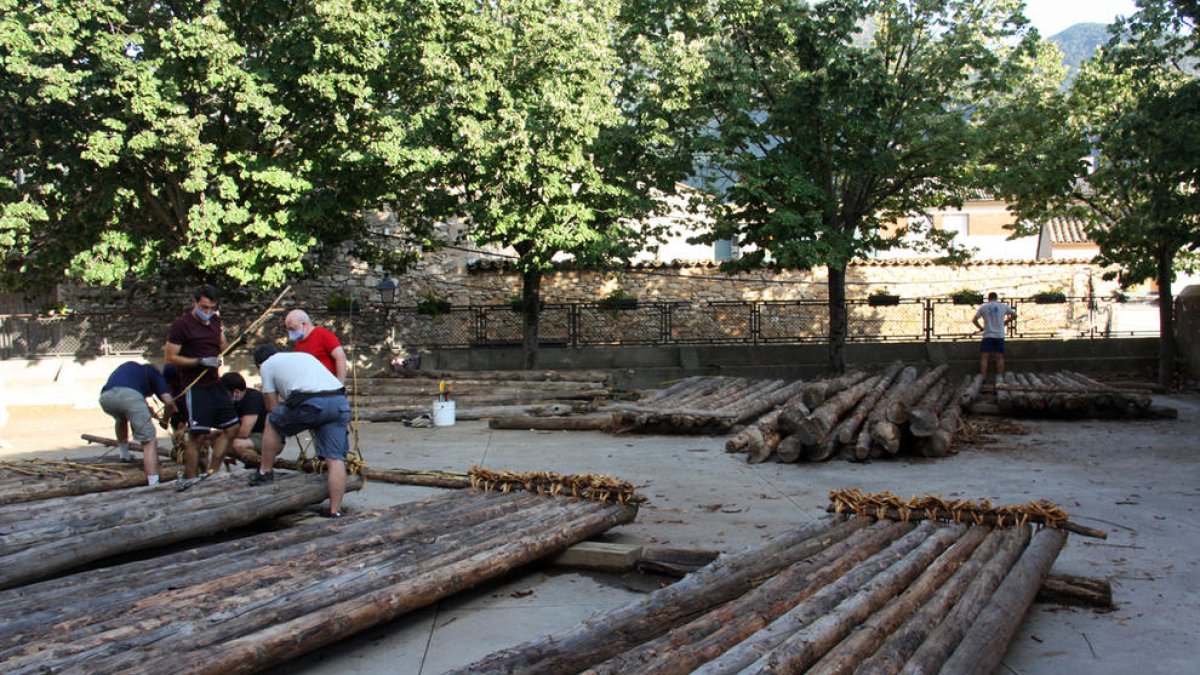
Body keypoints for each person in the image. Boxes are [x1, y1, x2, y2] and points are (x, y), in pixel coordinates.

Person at [248, 344, 351, 518]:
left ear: (259, 365)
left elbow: (271, 407)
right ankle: (335, 511)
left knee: (271, 420)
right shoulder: (304, 356)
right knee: (335, 459)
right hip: (339, 401)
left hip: (311, 402)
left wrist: (286, 420)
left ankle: (265, 472)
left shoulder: (267, 365)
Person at [164, 285, 239, 478]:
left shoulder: (215, 321)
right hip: (195, 386)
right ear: (194, 302)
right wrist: (199, 361)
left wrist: (236, 344)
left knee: (232, 428)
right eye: (204, 307)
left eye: (212, 308)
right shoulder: (181, 325)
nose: (208, 312)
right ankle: (191, 479)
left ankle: (212, 472)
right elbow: (171, 357)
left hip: (215, 383)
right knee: (198, 437)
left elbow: (223, 347)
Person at [98, 361, 176, 485]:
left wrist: (149, 411)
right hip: (130, 397)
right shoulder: (156, 373)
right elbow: (170, 403)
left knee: (121, 419)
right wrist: (165, 421)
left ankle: (124, 455)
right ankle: (154, 482)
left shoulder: (133, 369)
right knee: (149, 441)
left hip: (106, 398)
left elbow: (130, 397)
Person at [284, 309, 348, 383]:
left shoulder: (323, 335)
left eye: (292, 329)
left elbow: (340, 357)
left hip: (327, 385)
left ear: (303, 324)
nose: (290, 332)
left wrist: (340, 384)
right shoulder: (298, 343)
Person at [221, 372, 266, 465]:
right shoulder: (235, 401)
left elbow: (244, 433)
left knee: (235, 444)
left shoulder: (253, 399)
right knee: (215, 438)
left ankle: (261, 464)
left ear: (236, 392)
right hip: (250, 436)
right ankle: (251, 461)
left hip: (264, 436)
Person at [972, 291, 1018, 381]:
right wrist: (1006, 321)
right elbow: (1015, 315)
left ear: (988, 298)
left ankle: (983, 377)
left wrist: (980, 328)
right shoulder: (1003, 306)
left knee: (984, 358)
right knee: (999, 357)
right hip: (999, 335)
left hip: (988, 335)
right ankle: (1000, 376)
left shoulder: (983, 307)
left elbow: (974, 320)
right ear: (996, 298)